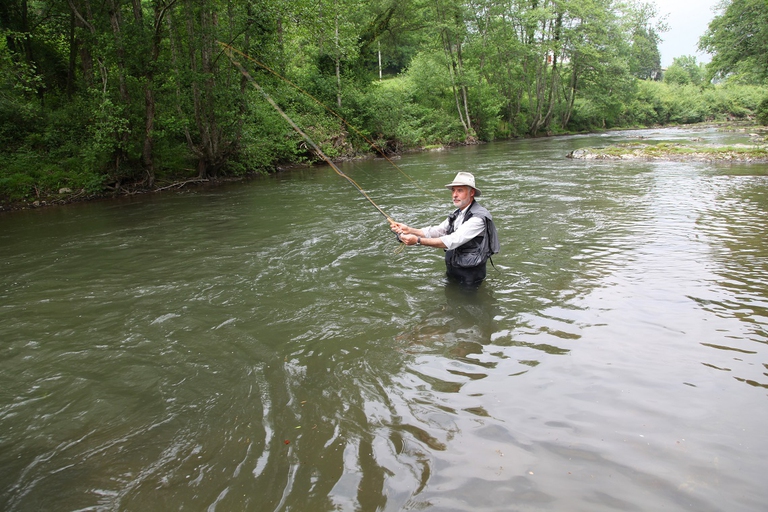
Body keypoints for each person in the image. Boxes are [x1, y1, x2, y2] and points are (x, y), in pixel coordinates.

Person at [390, 172, 499, 287]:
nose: (454, 195)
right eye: (453, 190)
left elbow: (452, 240)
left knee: (466, 304)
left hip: (470, 276)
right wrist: (410, 230)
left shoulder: (478, 218)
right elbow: (439, 230)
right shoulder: (458, 213)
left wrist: (417, 241)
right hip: (453, 269)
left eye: (460, 190)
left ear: (471, 193)